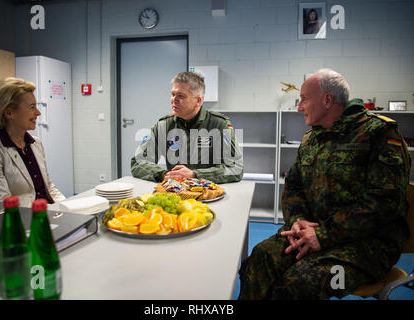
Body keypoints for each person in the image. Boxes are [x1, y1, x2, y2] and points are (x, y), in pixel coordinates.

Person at [238, 69, 411, 299]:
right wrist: (297, 220)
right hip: (310, 235)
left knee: (301, 282)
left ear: (327, 100)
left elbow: (385, 203)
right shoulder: (312, 139)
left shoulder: (378, 133)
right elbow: (294, 186)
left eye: (304, 99)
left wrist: (323, 235)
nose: (299, 107)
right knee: (260, 259)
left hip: (367, 248)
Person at [130, 71, 244, 184]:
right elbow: (138, 162)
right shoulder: (163, 125)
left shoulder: (219, 124)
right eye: (173, 94)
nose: (174, 100)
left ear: (198, 101)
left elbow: (235, 168)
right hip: (175, 192)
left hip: (209, 192)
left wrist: (195, 175)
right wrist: (164, 175)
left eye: (181, 96)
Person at [0, 77, 65, 217]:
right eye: (32, 107)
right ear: (9, 113)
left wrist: (68, 209)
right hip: (17, 224)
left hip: (46, 215)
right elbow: (4, 206)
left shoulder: (36, 143)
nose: (38, 112)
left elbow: (48, 187)